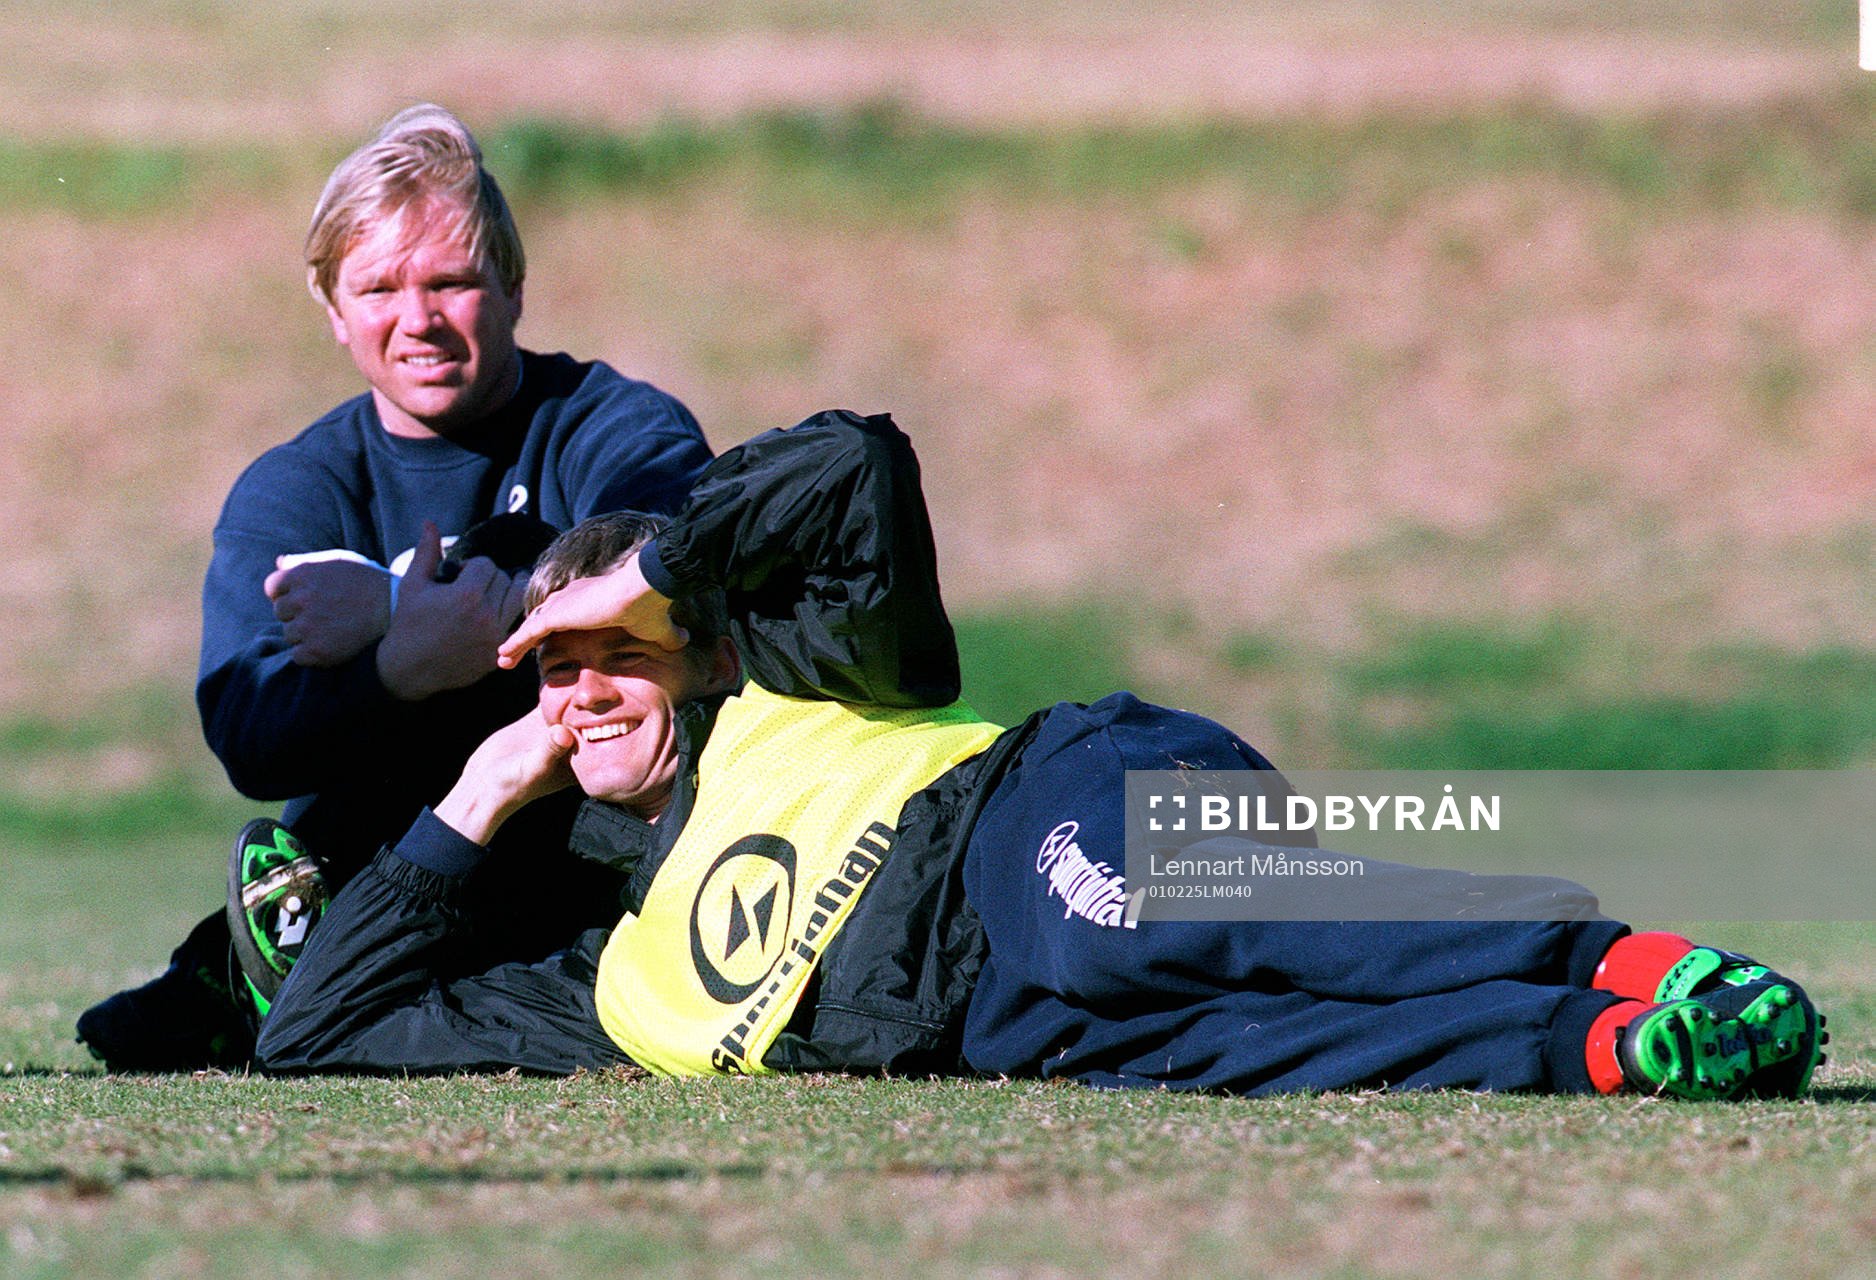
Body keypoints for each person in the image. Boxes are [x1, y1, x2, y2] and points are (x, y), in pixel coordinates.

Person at [249, 410, 1827, 1099]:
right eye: (555, 674)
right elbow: (312, 1033)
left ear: (705, 654)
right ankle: (1602, 1049)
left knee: (1114, 918)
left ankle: (1629, 959)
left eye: (615, 662)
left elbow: (853, 472)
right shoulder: (600, 985)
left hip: (1040, 819)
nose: (583, 695)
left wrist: (657, 575)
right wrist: (474, 793)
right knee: (1208, 1049)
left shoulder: (789, 677)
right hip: (987, 1018)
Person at [76, 103, 714, 1071]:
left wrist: (388, 607)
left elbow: (654, 544)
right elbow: (249, 730)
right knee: (144, 1035)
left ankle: (274, 971)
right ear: (333, 310)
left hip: (593, 824)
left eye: (450, 281)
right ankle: (264, 961)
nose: (416, 318)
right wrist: (396, 672)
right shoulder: (295, 489)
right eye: (377, 286)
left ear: (512, 286)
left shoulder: (612, 421)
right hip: (399, 847)